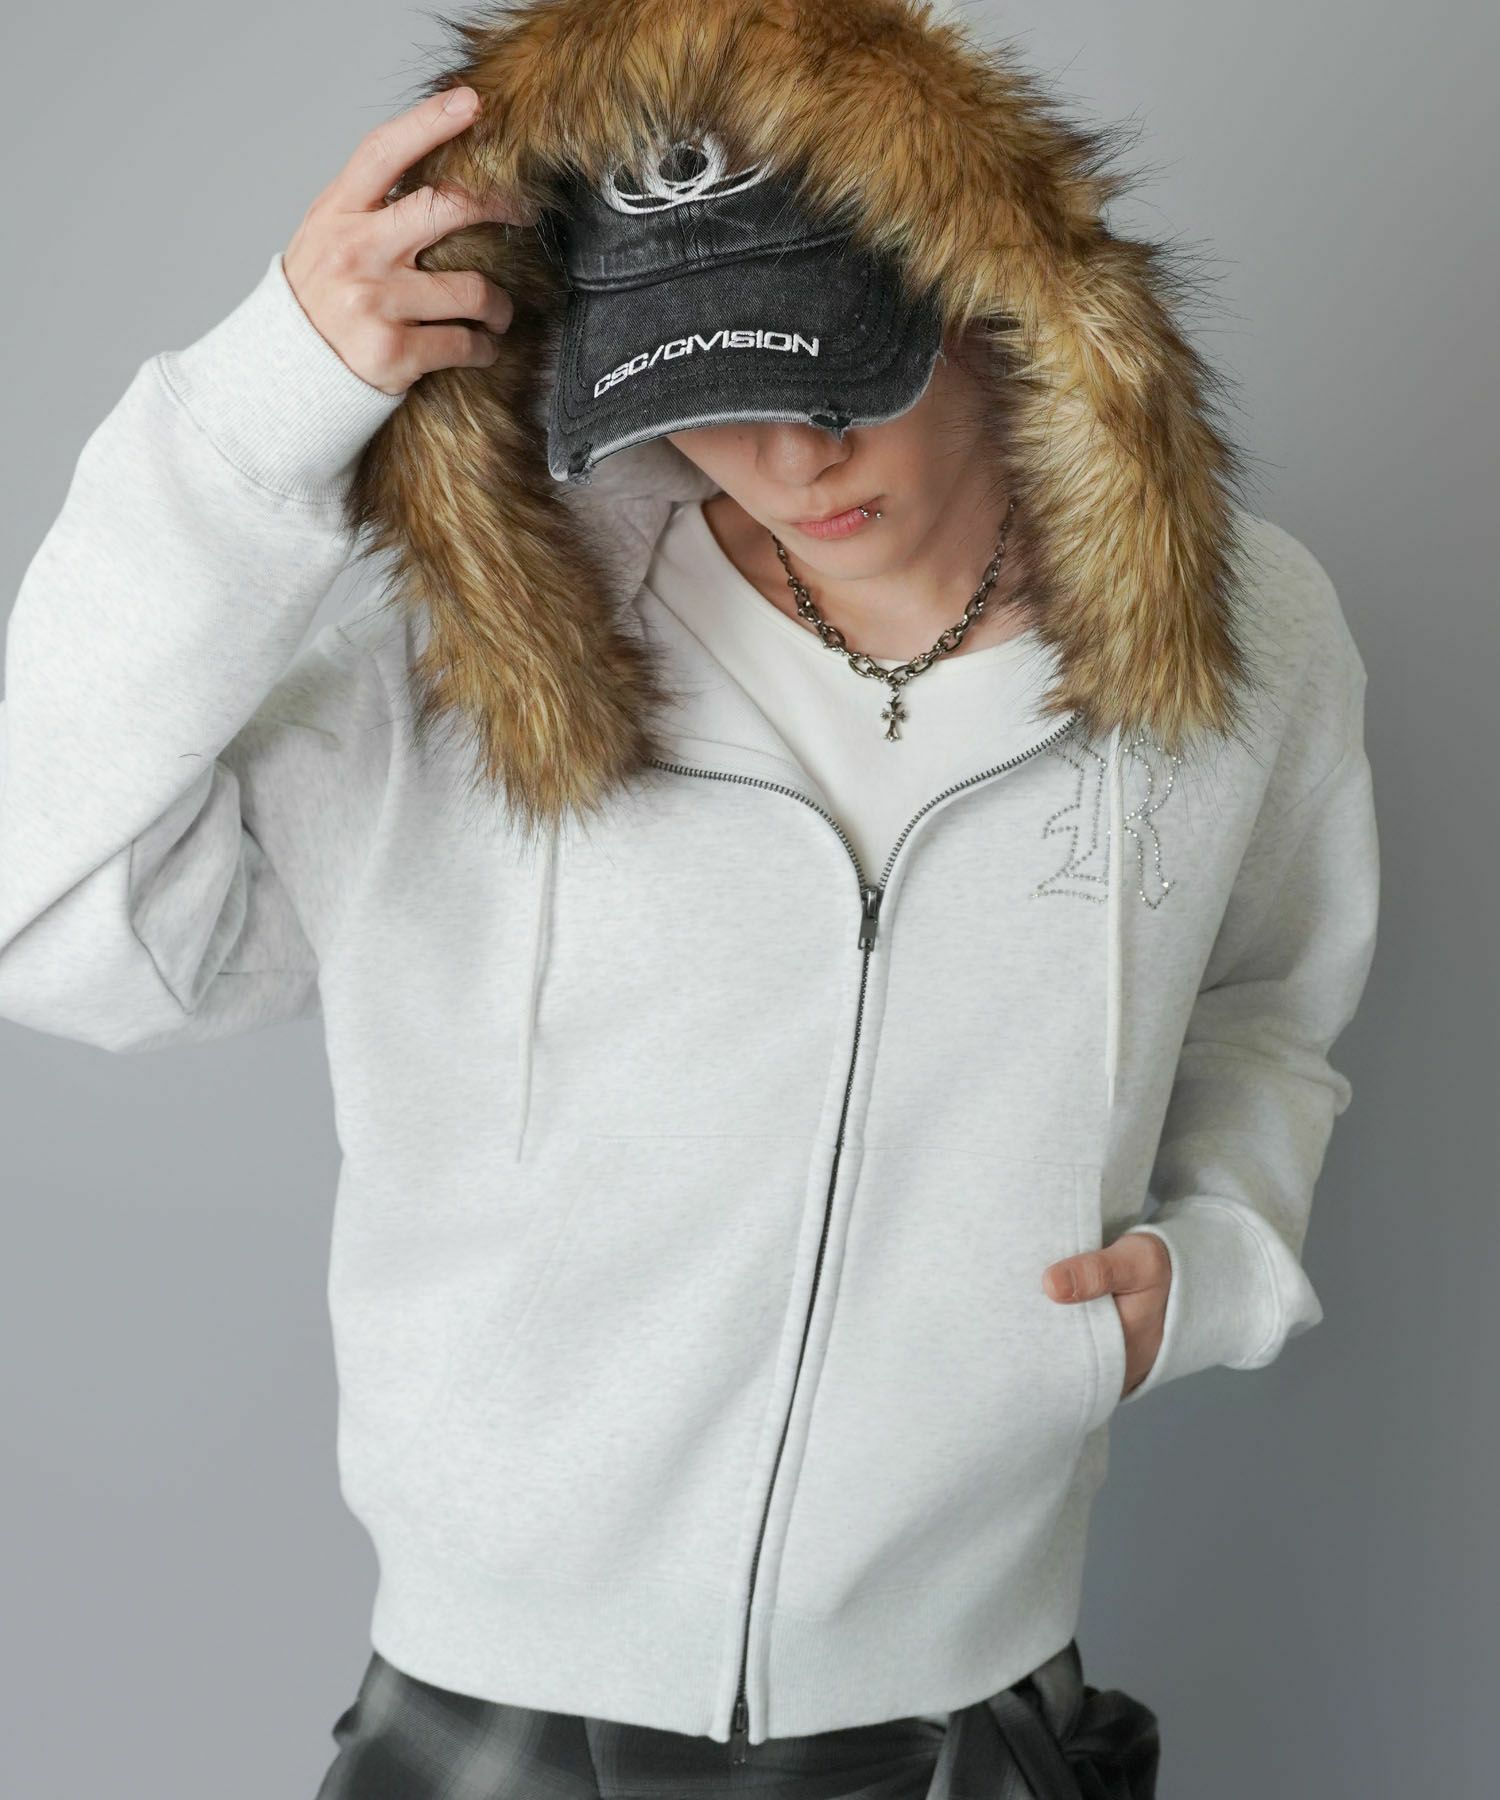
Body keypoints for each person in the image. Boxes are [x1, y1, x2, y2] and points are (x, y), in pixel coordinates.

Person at [0, 2, 1379, 1795]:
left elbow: (1265, 1000)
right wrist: (252, 417)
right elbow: (50, 919)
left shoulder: (1255, 642)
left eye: (835, 372)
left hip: (956, 1686)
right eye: (702, 393)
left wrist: (1209, 1275)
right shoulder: (464, 666)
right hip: (490, 1699)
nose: (790, 459)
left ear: (992, 292)